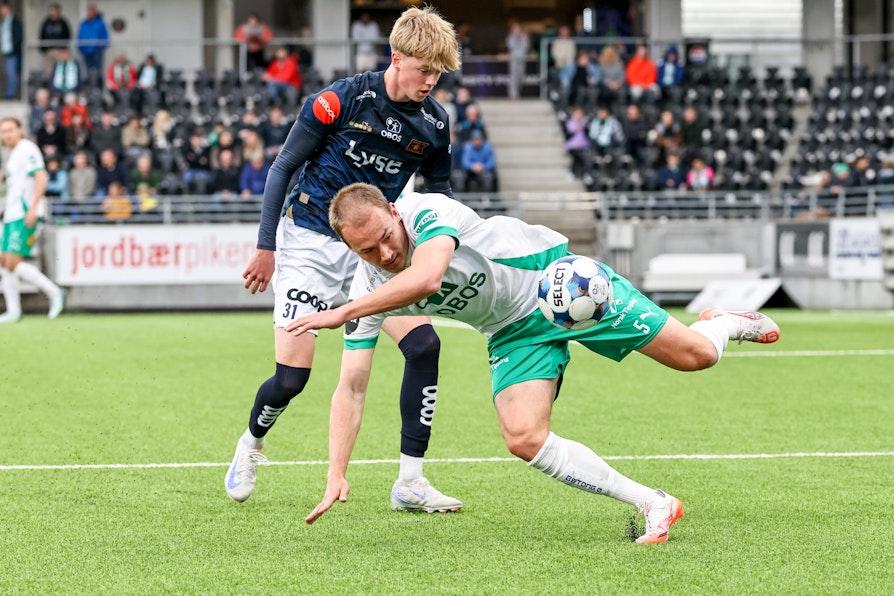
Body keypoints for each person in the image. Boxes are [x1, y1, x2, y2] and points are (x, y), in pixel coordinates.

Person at [288, 182, 781, 543]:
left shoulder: (427, 211)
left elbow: (428, 277)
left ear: (394, 212)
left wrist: (344, 312)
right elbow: (351, 386)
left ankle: (723, 323)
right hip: (511, 330)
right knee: (522, 437)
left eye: (385, 236)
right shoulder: (369, 287)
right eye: (367, 250)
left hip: (560, 282)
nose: (385, 252)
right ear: (349, 250)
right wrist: (336, 472)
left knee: (696, 357)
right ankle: (653, 502)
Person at [229, 5, 463, 512]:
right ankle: (252, 443)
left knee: (423, 346)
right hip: (309, 242)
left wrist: (436, 250)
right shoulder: (342, 100)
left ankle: (411, 482)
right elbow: (284, 166)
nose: (431, 81)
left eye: (438, 72)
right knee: (291, 379)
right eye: (424, 69)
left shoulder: (435, 124)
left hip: (377, 247)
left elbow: (441, 194)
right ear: (396, 57)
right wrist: (266, 245)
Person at [0, 117, 66, 323]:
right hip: (11, 214)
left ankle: (54, 292)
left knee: (12, 262)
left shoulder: (27, 149)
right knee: (4, 263)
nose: (7, 135)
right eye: (3, 132)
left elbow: (41, 177)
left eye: (10, 130)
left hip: (24, 213)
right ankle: (13, 311)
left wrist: (34, 208)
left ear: (20, 130)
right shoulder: (13, 155)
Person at [77, 4, 109, 83]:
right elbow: (79, 36)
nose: (89, 13)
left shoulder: (100, 23)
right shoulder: (84, 23)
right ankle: (89, 89)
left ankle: (97, 89)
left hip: (97, 51)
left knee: (97, 72)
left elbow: (105, 37)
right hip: (86, 51)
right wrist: (80, 48)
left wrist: (101, 48)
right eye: (88, 11)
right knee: (87, 72)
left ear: (95, 12)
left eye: (91, 11)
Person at [38, 3, 72, 74]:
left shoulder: (63, 22)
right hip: (49, 51)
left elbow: (67, 35)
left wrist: (64, 49)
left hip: (60, 51)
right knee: (49, 71)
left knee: (61, 70)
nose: (53, 12)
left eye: (55, 10)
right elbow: (42, 35)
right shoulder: (46, 22)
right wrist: (43, 49)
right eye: (52, 10)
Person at [0, 2, 23, 99]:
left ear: (8, 9)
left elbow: (18, 36)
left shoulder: (14, 21)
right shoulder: (4, 21)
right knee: (8, 73)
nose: (1, 11)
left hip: (13, 52)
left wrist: (14, 48)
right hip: (5, 52)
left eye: (2, 8)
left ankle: (11, 95)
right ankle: (9, 93)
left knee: (12, 74)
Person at [563, 106, 592, 179]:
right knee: (576, 159)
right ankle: (572, 173)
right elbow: (570, 131)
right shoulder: (570, 122)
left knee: (583, 160)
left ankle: (583, 174)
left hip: (582, 145)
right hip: (573, 146)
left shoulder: (583, 122)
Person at [505, 19, 529, 100]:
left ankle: (518, 92)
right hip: (514, 59)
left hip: (522, 59)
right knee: (513, 77)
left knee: (521, 77)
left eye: (518, 28)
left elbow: (525, 47)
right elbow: (511, 46)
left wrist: (519, 38)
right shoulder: (510, 37)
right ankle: (513, 94)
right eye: (515, 29)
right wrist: (516, 38)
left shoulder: (524, 37)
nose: (517, 30)